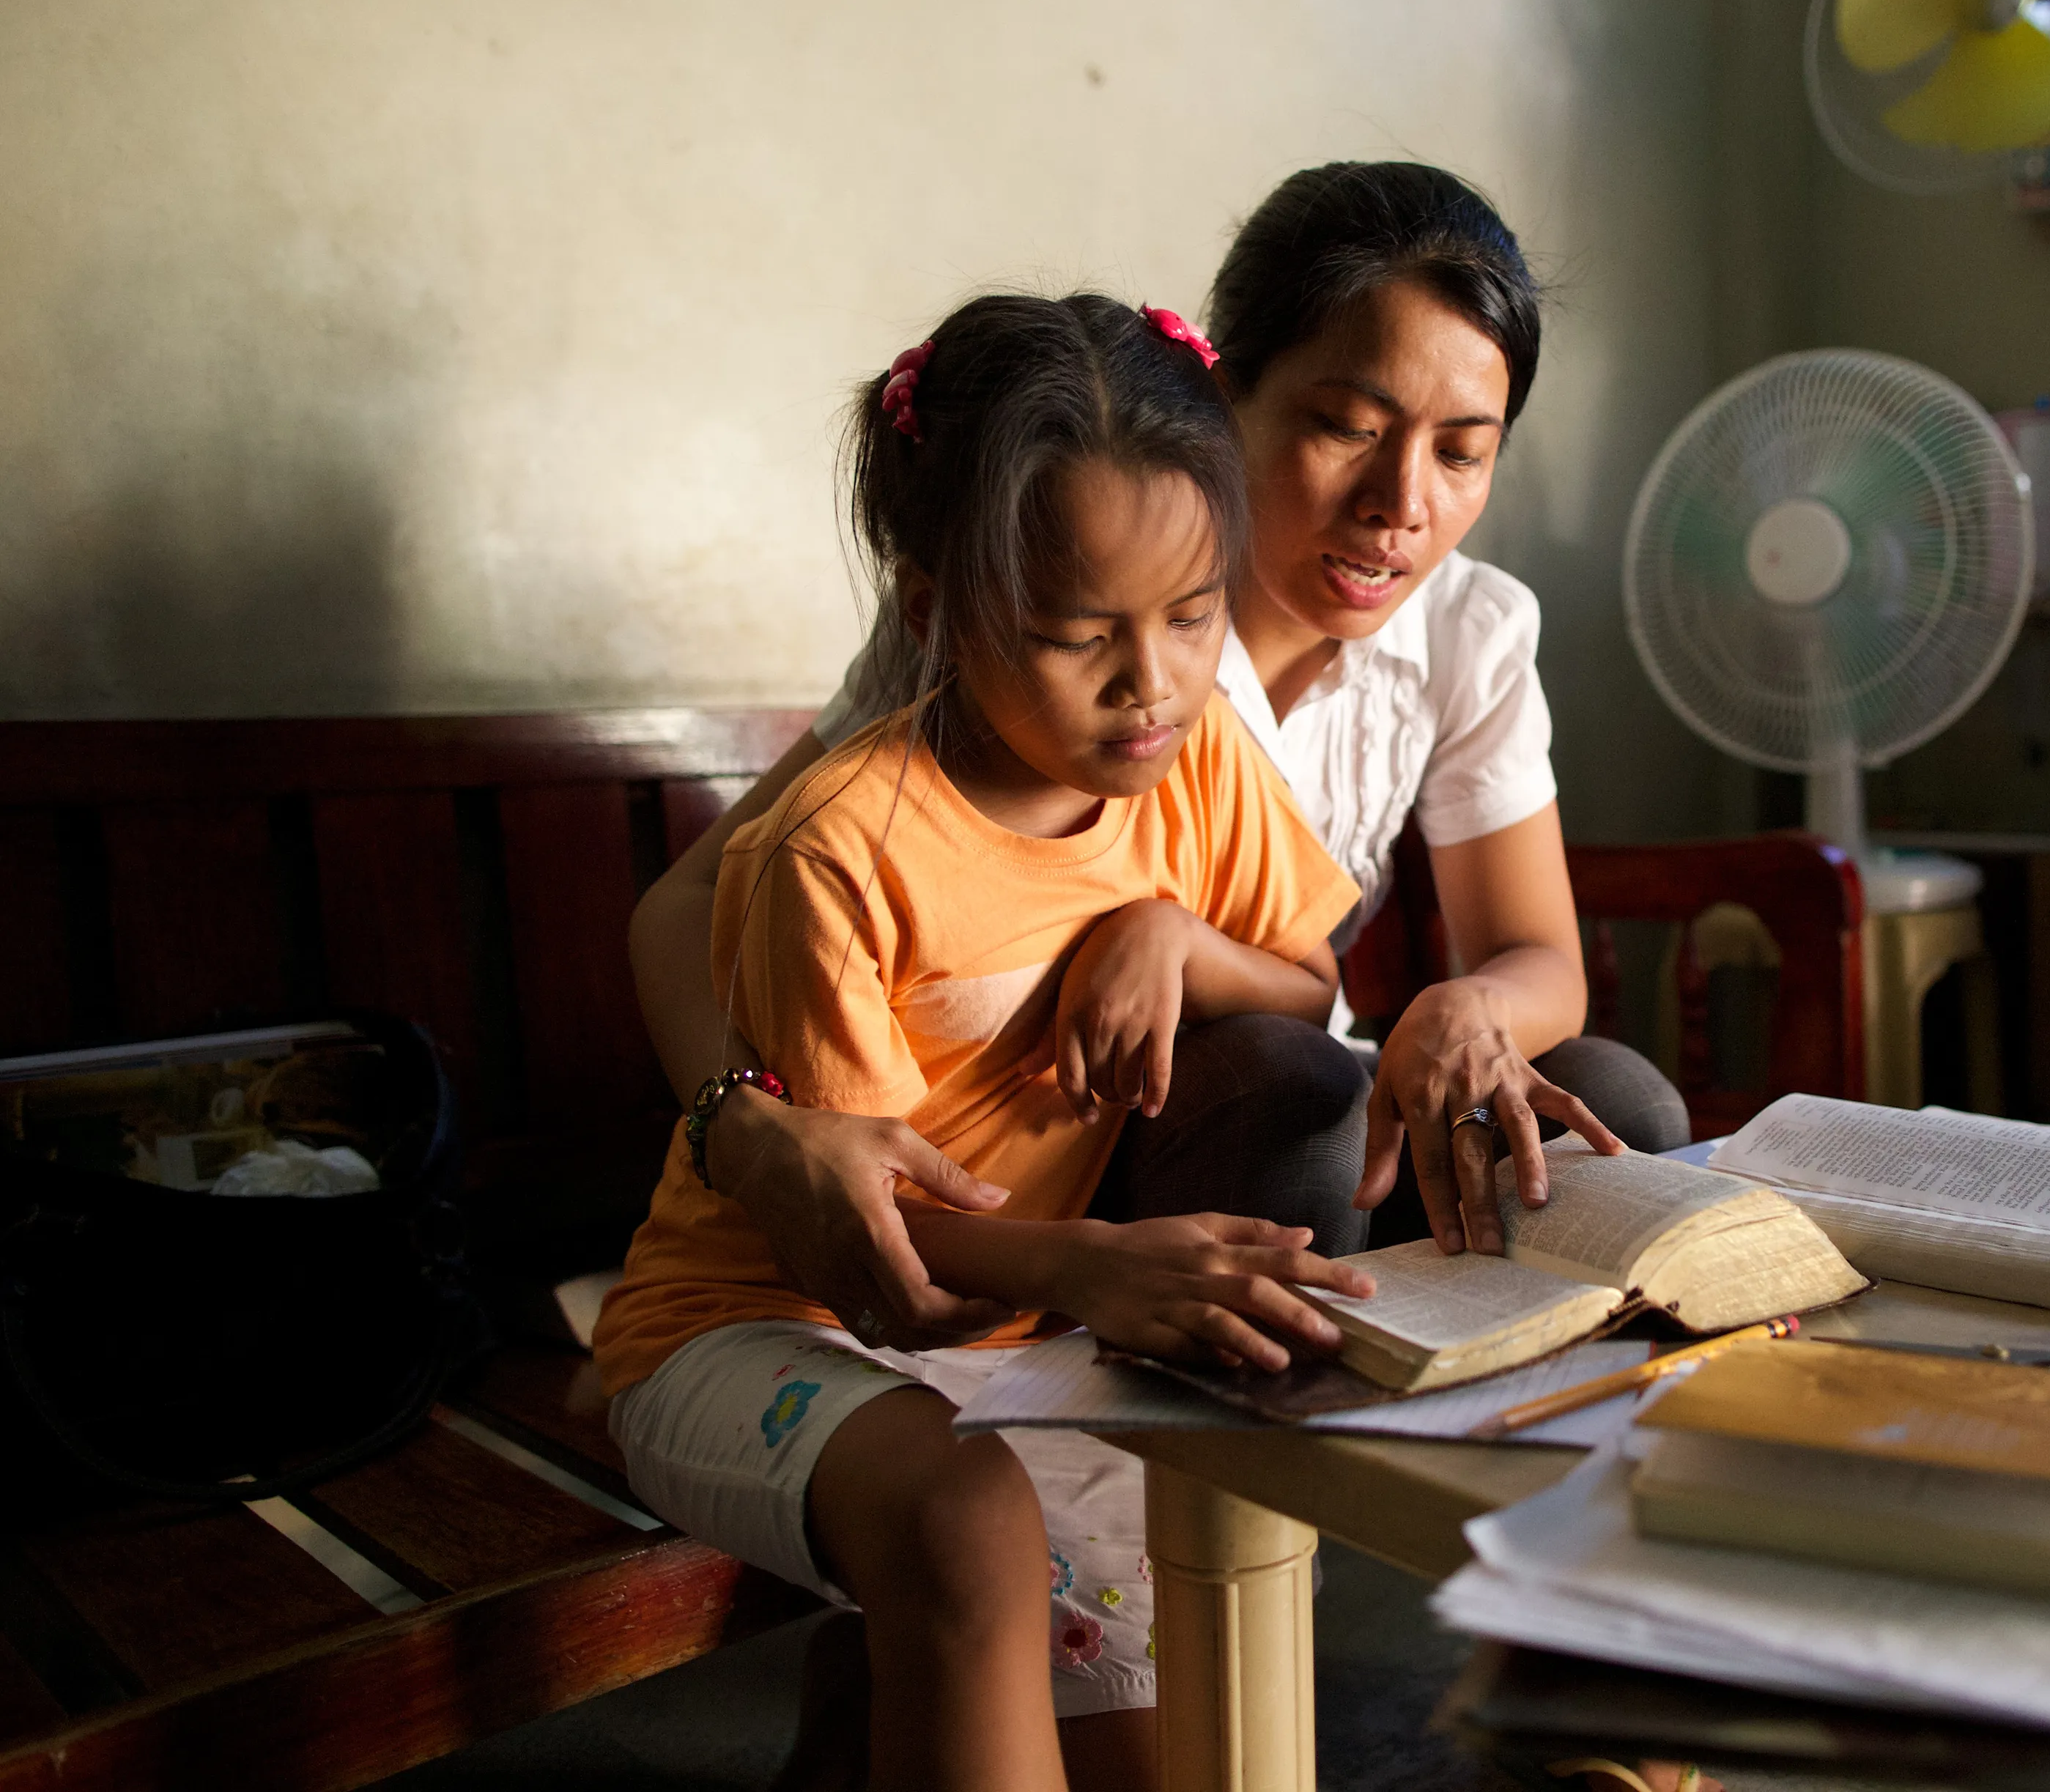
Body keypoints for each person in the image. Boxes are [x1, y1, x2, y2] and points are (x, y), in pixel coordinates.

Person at [629, 161, 1690, 1360]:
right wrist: (748, 1130)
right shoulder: (1046, 606)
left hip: (1304, 1083)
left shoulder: (1469, 629)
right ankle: (1240, 1500)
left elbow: (1534, 954)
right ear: (1225, 397)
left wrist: (1463, 1005)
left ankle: (1517, 1494)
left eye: (1462, 451)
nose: (1402, 504)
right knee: (1297, 1092)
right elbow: (700, 897)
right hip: (1092, 1138)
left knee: (1622, 1109)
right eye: (1347, 427)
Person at [593, 293, 1382, 1791]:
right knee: (969, 1523)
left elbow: (1304, 986)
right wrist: (1096, 1267)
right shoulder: (840, 844)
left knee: (1194, 1739)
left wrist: (1173, 932)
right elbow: (869, 1246)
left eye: (1195, 614)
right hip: (762, 1327)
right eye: (1078, 634)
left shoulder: (1198, 758)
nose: (1151, 683)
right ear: (930, 608)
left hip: (1016, 1339)